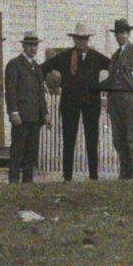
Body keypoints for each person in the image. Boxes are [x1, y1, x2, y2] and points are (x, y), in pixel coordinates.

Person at [47, 22, 110, 181]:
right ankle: (67, 177)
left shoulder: (96, 57)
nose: (81, 42)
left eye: (84, 39)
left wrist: (103, 86)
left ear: (88, 40)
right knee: (69, 139)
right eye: (78, 39)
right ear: (74, 39)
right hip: (70, 103)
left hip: (91, 103)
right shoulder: (64, 56)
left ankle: (93, 177)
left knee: (92, 140)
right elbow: (43, 68)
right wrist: (50, 83)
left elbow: (114, 68)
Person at [105, 16, 133, 180]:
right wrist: (109, 102)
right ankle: (124, 172)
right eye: (118, 33)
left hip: (130, 99)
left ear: (128, 34)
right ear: (115, 35)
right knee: (118, 139)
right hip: (115, 101)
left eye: (124, 32)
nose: (121, 36)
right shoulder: (114, 56)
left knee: (132, 138)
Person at [3, 31, 48, 183]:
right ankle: (13, 179)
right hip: (21, 115)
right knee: (18, 149)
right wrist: (13, 111)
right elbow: (10, 91)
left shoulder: (37, 67)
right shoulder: (14, 65)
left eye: (35, 45)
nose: (33, 48)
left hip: (35, 116)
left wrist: (45, 114)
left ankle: (28, 180)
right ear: (23, 46)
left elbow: (40, 93)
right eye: (29, 45)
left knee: (31, 150)